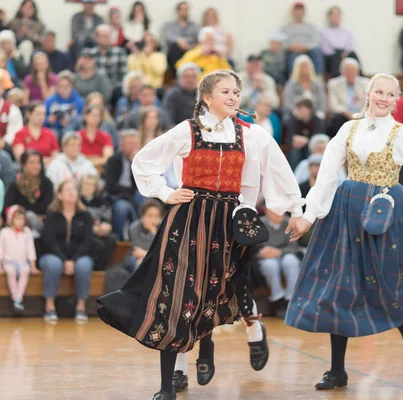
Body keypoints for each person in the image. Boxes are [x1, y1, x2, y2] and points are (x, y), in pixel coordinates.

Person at [96, 69, 304, 400]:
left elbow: (278, 169)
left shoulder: (252, 134)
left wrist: (297, 211)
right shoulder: (187, 130)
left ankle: (210, 350)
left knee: (217, 292)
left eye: (236, 91)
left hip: (228, 222)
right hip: (189, 218)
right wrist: (166, 193)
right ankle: (167, 385)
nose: (234, 97)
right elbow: (143, 161)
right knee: (175, 297)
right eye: (226, 92)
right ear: (206, 98)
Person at [285, 73, 403, 389]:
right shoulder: (348, 129)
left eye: (390, 94)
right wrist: (308, 216)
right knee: (340, 284)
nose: (383, 98)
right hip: (347, 208)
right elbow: (327, 174)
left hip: (387, 211)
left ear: (397, 100)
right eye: (378, 91)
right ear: (368, 94)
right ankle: (337, 370)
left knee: (386, 283)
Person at [39, 179, 94, 325]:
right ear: (59, 195)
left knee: (83, 265)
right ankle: (49, 305)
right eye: (67, 190)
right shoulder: (51, 215)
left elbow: (87, 242)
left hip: (79, 256)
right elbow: (49, 241)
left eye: (74, 190)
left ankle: (81, 306)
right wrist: (64, 260)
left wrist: (73, 260)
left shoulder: (85, 216)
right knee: (53, 264)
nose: (71, 193)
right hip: (54, 254)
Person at [0, 205, 38, 313]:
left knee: (25, 271)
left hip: (23, 262)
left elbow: (30, 249)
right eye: (17, 218)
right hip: (8, 262)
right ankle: (16, 298)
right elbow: (0, 250)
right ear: (11, 219)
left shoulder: (27, 232)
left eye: (22, 219)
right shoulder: (4, 232)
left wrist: (33, 265)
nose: (20, 221)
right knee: (11, 272)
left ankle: (18, 298)